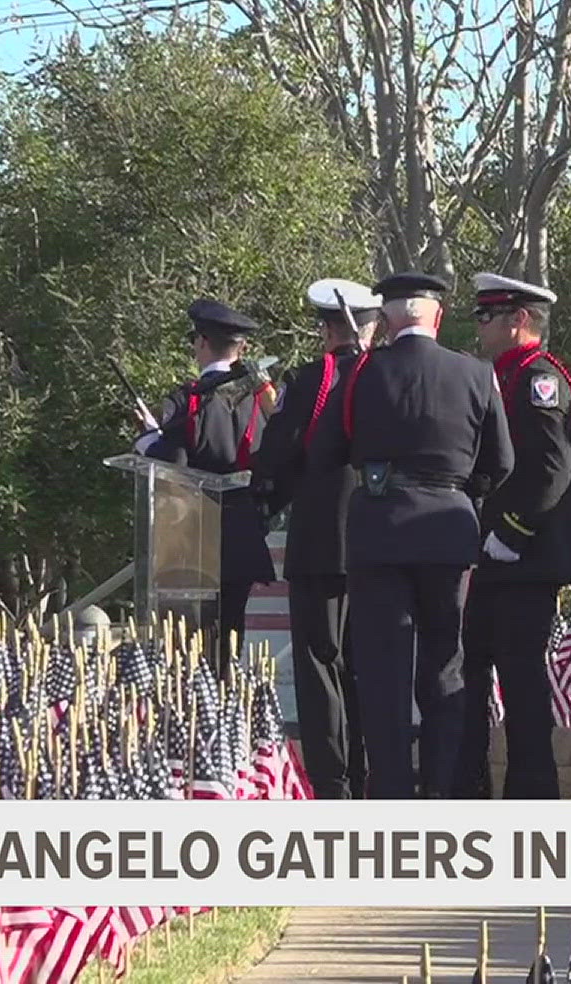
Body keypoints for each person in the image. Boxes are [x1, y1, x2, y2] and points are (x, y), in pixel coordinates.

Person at [316, 272, 515, 799]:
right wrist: (457, 493)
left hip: (379, 530)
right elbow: (502, 461)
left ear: (387, 319)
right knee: (444, 668)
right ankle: (442, 795)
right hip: (449, 532)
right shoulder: (476, 374)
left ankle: (392, 797)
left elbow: (326, 451)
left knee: (383, 674)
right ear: (438, 317)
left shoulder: (362, 373)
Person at [453, 273, 571, 800]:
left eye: (488, 316)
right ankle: (469, 788)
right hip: (493, 558)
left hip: (525, 557)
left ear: (519, 321)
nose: (480, 326)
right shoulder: (503, 375)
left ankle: (532, 798)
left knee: (521, 680)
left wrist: (511, 531)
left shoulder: (538, 379)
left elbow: (551, 469)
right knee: (471, 672)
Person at [248, 278, 381, 799]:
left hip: (322, 541)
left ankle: (332, 782)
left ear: (329, 328)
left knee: (320, 662)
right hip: (378, 543)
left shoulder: (313, 380)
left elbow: (280, 452)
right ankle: (370, 770)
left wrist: (264, 497)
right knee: (367, 663)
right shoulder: (384, 377)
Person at [132, 298, 278, 666]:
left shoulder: (188, 399)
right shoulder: (262, 399)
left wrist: (149, 439)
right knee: (231, 634)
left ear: (200, 342)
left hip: (194, 531)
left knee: (193, 644)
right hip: (243, 527)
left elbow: (176, 462)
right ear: (241, 347)